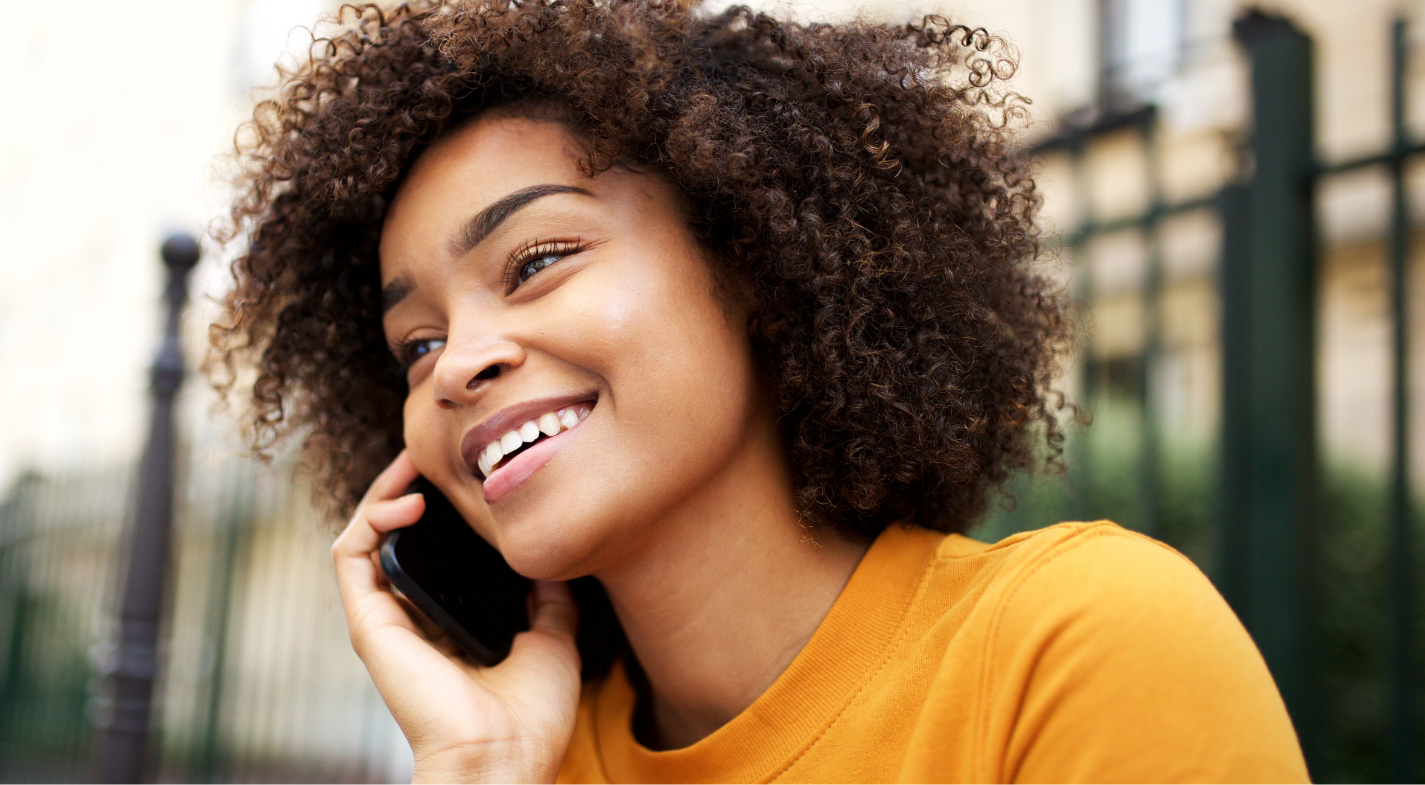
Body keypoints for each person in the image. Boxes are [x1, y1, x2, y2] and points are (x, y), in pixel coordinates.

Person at [208, 1, 1309, 781]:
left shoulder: (1077, 649)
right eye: (415, 342)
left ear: (754, 260)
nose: (455, 363)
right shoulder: (524, 754)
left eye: (536, 260)